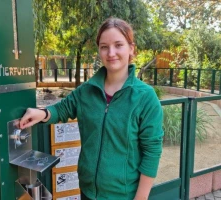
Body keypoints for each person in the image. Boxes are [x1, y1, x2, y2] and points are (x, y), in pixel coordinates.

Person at [20, 17, 163, 200]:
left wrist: (141, 198)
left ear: (131, 49)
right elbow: (63, 109)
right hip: (87, 191)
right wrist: (42, 113)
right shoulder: (87, 91)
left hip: (124, 195)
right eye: (104, 46)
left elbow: (152, 152)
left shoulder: (145, 97)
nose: (111, 52)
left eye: (118, 45)